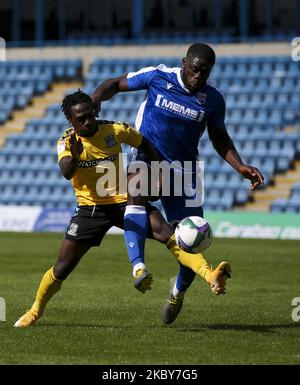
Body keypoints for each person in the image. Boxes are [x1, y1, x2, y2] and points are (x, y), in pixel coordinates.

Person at [14, 90, 225, 328]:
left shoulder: (115, 130)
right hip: (91, 208)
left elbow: (144, 142)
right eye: (80, 119)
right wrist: (73, 156)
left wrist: (156, 171)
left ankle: (210, 276)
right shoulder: (67, 141)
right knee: (62, 267)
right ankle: (34, 311)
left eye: (89, 116)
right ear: (70, 121)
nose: (87, 122)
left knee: (169, 234)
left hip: (125, 201)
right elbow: (66, 172)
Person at [91, 43, 264, 324]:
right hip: (148, 156)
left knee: (193, 241)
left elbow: (219, 136)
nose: (199, 76)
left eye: (205, 72)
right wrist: (96, 97)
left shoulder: (213, 100)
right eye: (195, 69)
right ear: (184, 63)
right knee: (135, 191)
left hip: (184, 171)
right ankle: (139, 268)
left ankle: (178, 290)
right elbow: (115, 83)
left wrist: (240, 165)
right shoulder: (159, 76)